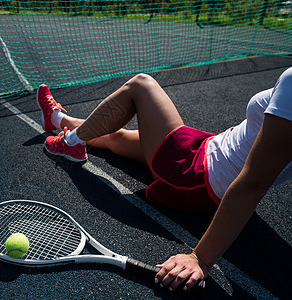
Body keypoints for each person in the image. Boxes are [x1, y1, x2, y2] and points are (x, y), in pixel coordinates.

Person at [36, 67, 292, 290]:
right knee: (115, 137)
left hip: (195, 173)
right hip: (208, 149)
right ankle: (59, 119)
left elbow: (254, 182)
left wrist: (200, 258)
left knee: (140, 84)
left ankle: (70, 143)